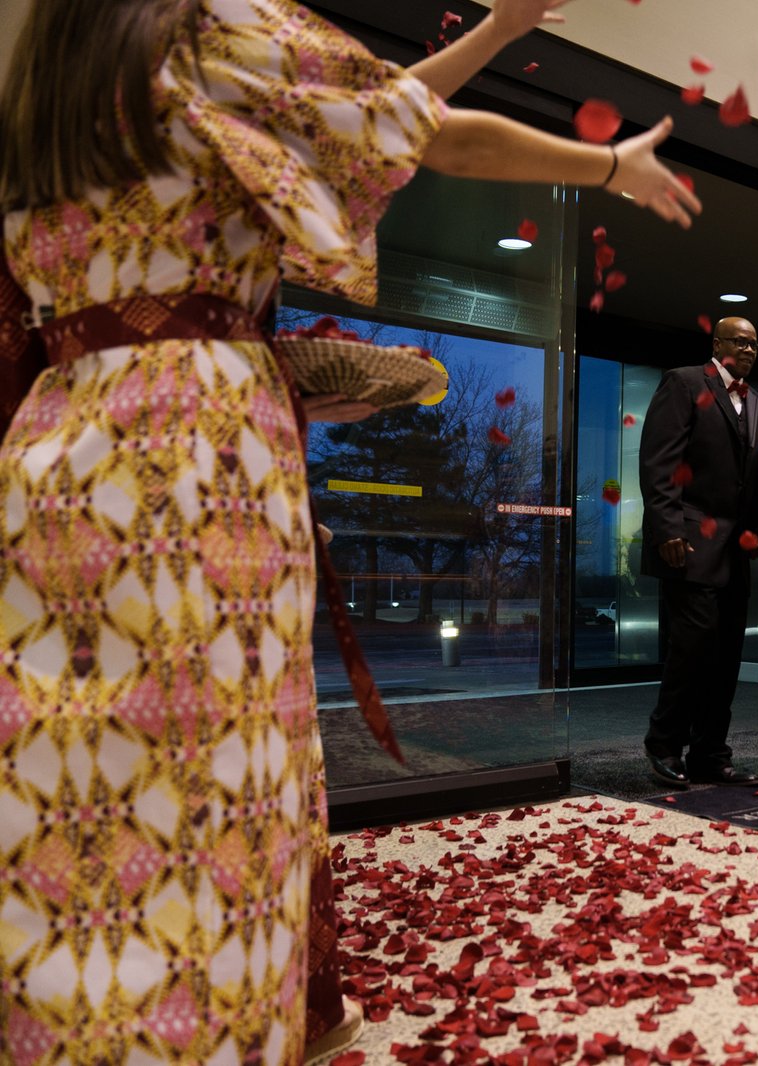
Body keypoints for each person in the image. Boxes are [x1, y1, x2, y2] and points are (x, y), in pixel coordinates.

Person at [0, 0, 701, 1060]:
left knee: (67, 768)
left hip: (53, 448)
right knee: (213, 775)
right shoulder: (202, 28)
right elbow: (415, 126)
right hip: (193, 451)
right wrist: (600, 156)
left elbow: (364, 115)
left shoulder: (43, 83)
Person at [639, 317, 758, 789]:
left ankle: (710, 753)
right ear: (717, 345)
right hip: (688, 541)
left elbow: (753, 479)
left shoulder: (757, 402)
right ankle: (664, 745)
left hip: (735, 551)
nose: (748, 349)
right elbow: (659, 460)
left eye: (754, 344)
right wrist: (667, 528)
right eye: (740, 341)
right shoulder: (684, 382)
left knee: (727, 655)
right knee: (692, 648)